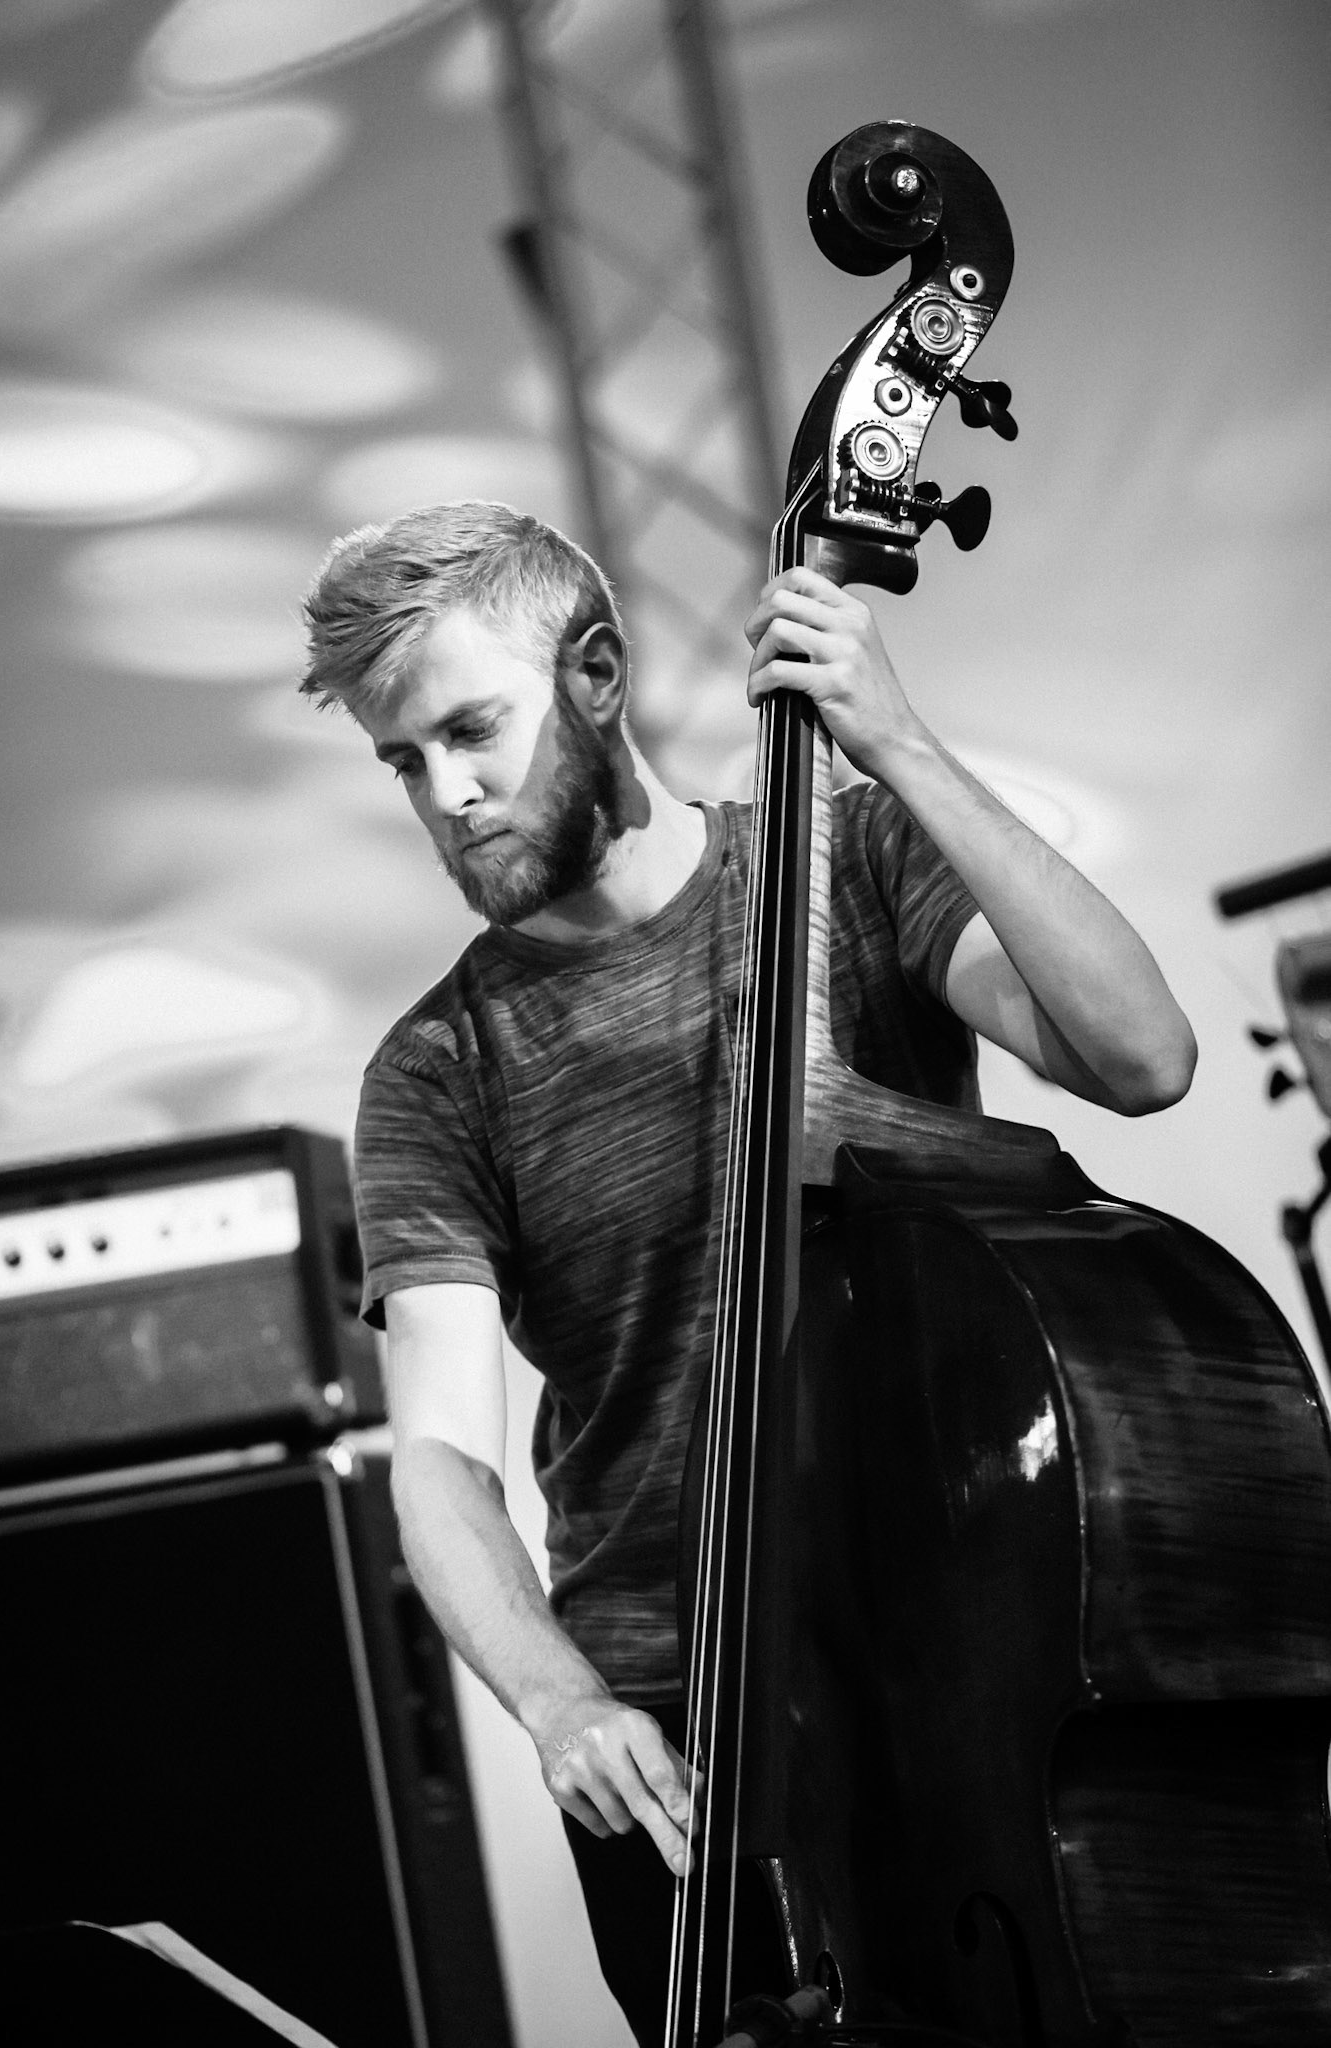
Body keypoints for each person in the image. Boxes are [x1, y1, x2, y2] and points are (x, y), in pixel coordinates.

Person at [298, 499, 1196, 2045]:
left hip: (958, 1663)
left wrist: (899, 746)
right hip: (683, 1751)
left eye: (471, 731)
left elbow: (1139, 1056)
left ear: (594, 675)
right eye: (402, 763)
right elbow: (438, 1459)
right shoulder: (437, 1070)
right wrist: (559, 1700)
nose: (444, 797)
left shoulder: (848, 867)